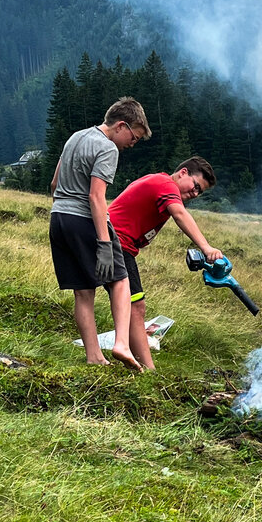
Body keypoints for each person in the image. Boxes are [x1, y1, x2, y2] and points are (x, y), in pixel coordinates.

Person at [49, 97, 151, 370]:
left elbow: (55, 183)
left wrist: (64, 213)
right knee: (121, 281)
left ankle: (94, 356)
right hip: (85, 220)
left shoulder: (75, 137)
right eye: (134, 137)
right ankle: (121, 344)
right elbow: (96, 196)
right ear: (121, 126)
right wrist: (104, 243)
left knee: (83, 292)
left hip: (58, 219)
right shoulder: (107, 148)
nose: (133, 143)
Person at [107, 156, 224, 369]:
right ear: (183, 172)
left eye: (200, 192)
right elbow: (180, 214)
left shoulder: (157, 181)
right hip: (116, 242)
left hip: (109, 240)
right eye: (196, 186)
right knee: (136, 306)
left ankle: (106, 356)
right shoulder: (166, 184)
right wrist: (206, 248)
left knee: (92, 294)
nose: (195, 194)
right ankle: (147, 369)